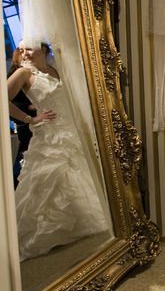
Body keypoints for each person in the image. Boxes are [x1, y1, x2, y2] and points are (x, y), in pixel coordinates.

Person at [8, 43, 109, 260]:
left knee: (76, 175)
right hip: (49, 135)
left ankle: (80, 223)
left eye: (29, 48)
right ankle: (47, 232)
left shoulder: (56, 68)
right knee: (49, 179)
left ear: (43, 49)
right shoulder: (24, 73)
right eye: (21, 49)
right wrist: (29, 119)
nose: (24, 53)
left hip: (71, 130)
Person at [7, 44, 36, 189]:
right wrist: (30, 111)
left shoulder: (35, 73)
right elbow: (9, 104)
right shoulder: (16, 74)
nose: (25, 55)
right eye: (22, 52)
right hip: (26, 126)